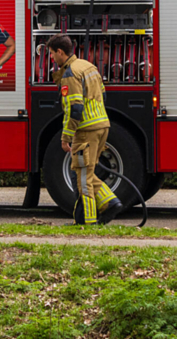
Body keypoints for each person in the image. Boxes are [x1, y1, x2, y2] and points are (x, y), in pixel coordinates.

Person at [47, 34, 123, 226]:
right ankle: (110, 202)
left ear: (60, 52)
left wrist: (66, 137)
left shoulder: (70, 74)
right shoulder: (88, 66)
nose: (50, 58)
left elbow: (75, 109)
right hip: (101, 125)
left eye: (51, 54)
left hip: (86, 129)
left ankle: (86, 223)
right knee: (87, 173)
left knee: (82, 177)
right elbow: (103, 96)